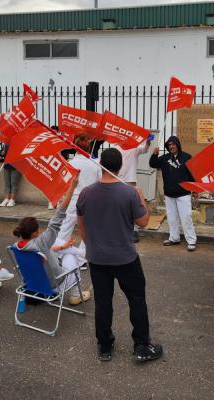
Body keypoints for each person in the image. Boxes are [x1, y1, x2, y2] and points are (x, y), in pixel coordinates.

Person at [77, 148, 163, 363]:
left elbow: (81, 224)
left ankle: (104, 345)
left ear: (100, 165)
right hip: (125, 257)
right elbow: (143, 222)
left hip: (97, 257)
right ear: (120, 166)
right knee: (136, 299)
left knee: (103, 302)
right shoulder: (129, 193)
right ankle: (142, 345)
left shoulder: (86, 193)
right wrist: (142, 198)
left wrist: (92, 246)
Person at [52, 133, 101, 305]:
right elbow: (99, 184)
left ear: (74, 146)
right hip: (90, 201)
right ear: (88, 146)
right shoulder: (94, 165)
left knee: (64, 229)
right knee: (88, 233)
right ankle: (80, 260)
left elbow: (63, 183)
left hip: (72, 200)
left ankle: (59, 255)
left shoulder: (69, 163)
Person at [13, 176, 81, 290]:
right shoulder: (41, 243)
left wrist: (61, 247)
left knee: (60, 245)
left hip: (35, 283)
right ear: (34, 234)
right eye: (38, 229)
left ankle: (77, 251)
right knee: (70, 256)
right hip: (54, 284)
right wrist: (72, 188)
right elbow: (58, 217)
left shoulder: (16, 247)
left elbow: (43, 253)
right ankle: (75, 295)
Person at [149, 135, 197, 251]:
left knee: (186, 218)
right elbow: (153, 164)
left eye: (173, 144)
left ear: (178, 144)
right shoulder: (165, 158)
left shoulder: (187, 157)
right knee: (172, 218)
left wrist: (195, 189)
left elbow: (192, 174)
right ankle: (174, 238)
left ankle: (191, 240)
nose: (171, 146)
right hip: (169, 194)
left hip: (183, 193)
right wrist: (154, 154)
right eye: (169, 145)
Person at [115, 136, 152, 241]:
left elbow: (145, 148)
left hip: (130, 181)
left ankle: (134, 230)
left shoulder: (134, 148)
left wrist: (148, 141)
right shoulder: (115, 148)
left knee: (132, 206)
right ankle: (120, 230)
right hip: (117, 180)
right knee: (119, 206)